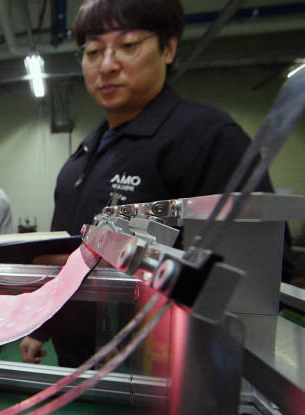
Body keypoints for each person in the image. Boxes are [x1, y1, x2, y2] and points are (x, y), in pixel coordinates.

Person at [20, 0, 276, 367]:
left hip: (158, 373)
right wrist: (43, 325)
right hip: (76, 365)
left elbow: (252, 281)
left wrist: (129, 267)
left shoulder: (209, 139)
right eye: (93, 51)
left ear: (168, 48)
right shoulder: (82, 157)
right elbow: (67, 257)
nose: (106, 65)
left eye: (128, 45)